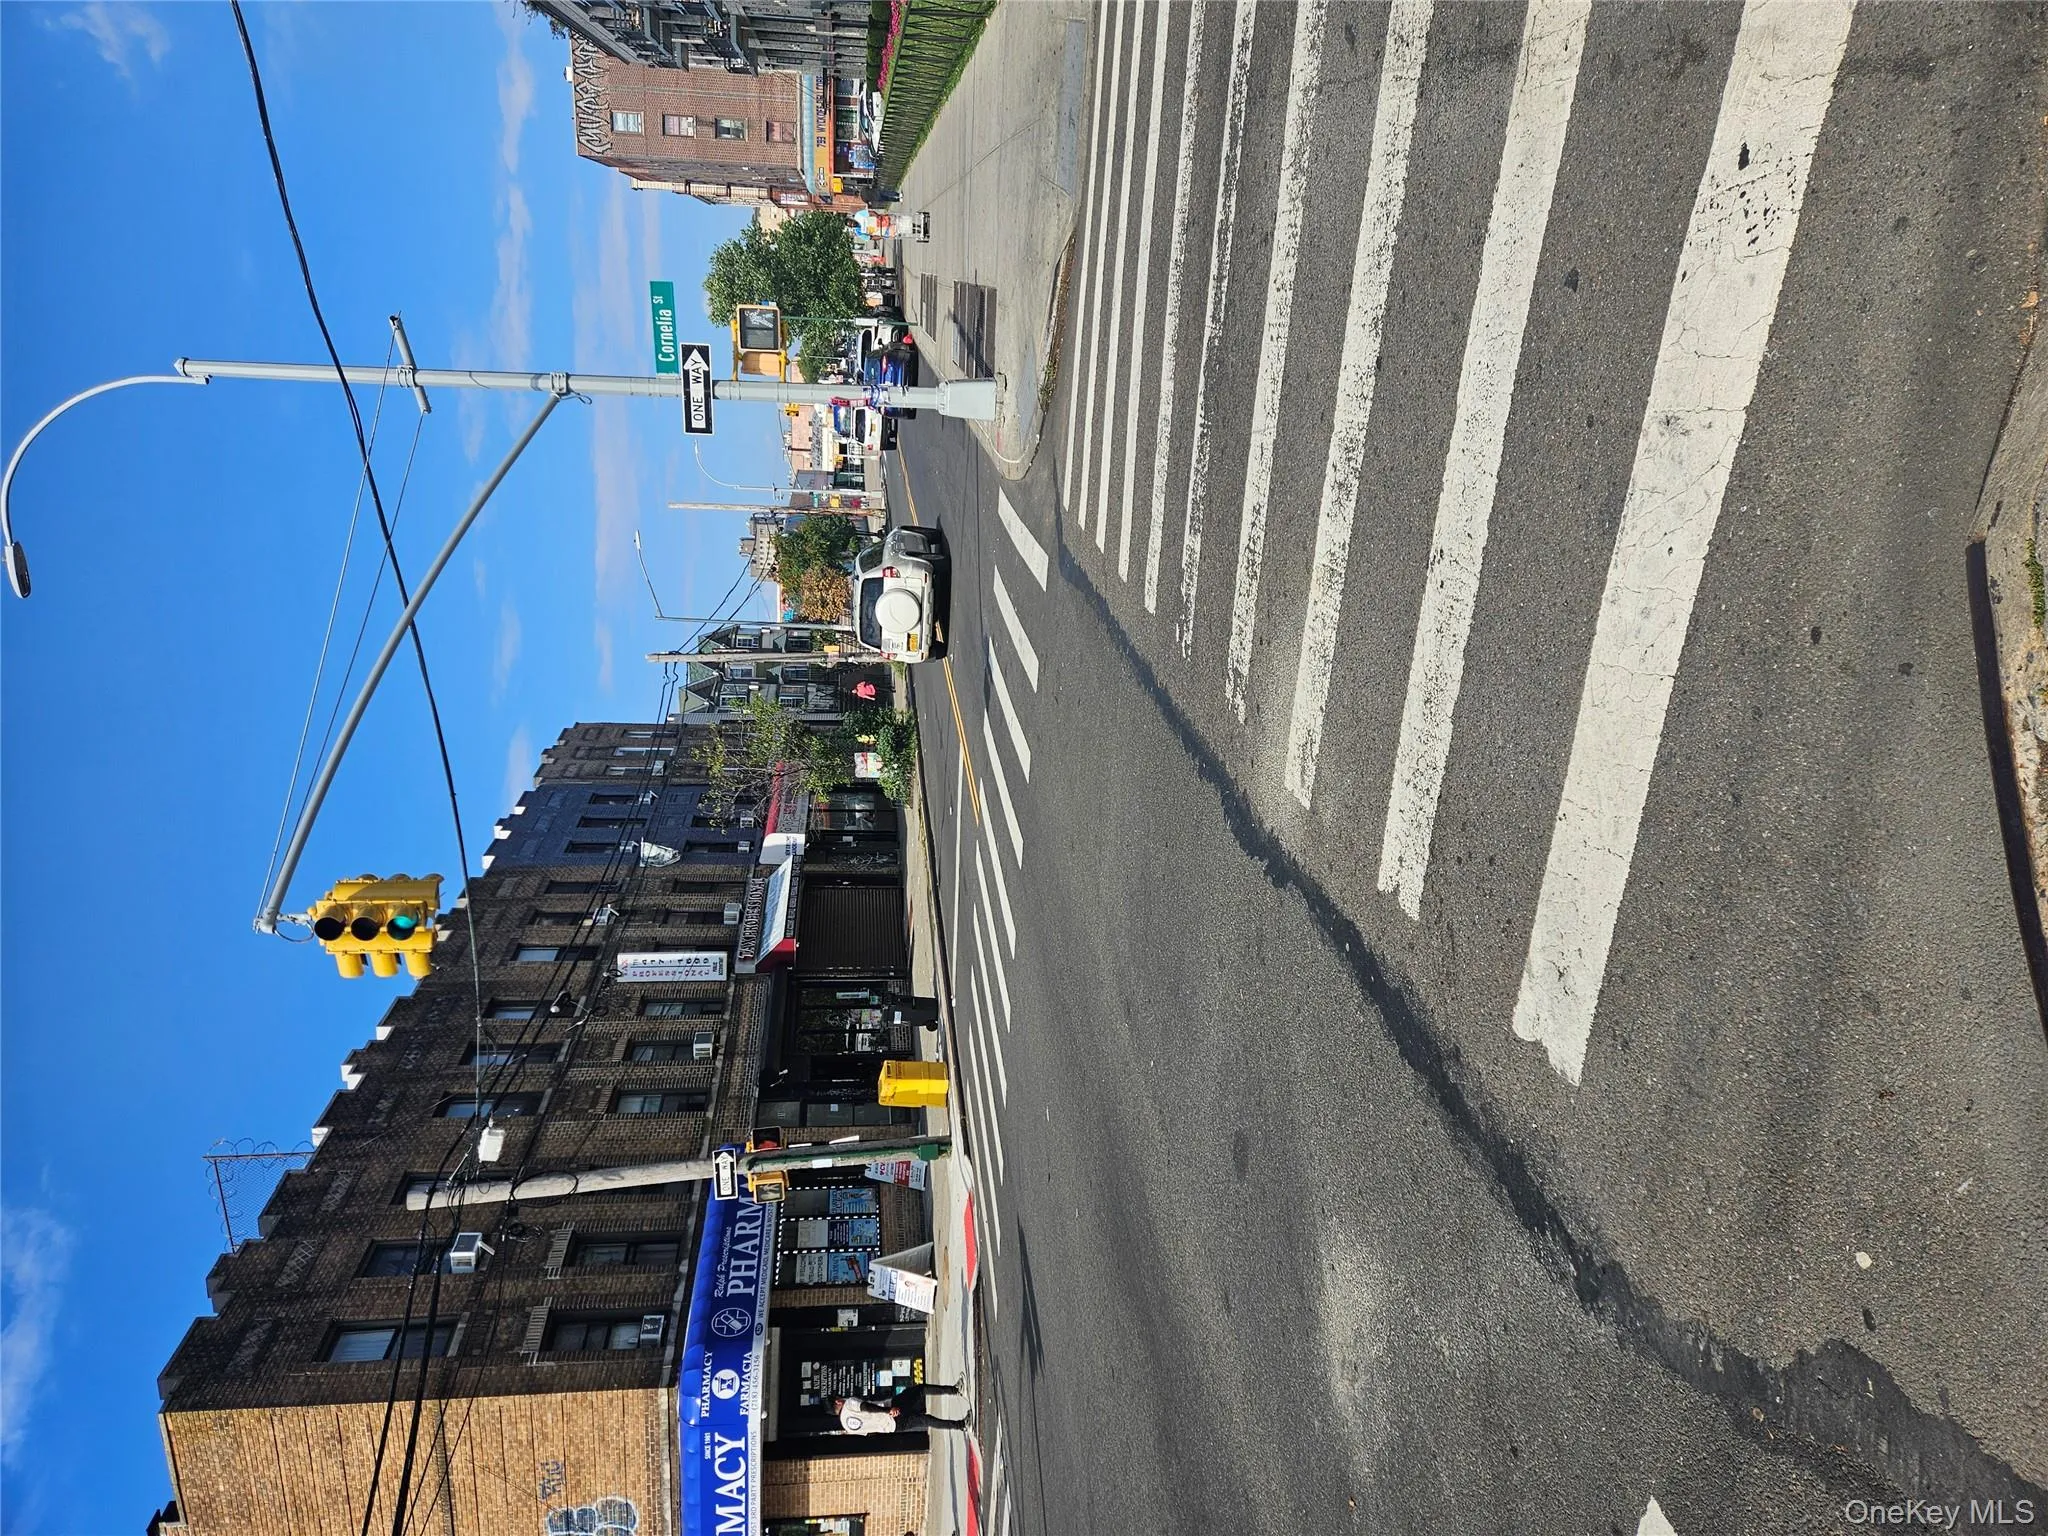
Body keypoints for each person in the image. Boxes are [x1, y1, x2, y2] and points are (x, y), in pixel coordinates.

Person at [835, 1384, 971, 1435]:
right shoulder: (848, 1404)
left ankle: (962, 1425)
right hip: (891, 1409)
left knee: (926, 1421)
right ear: (838, 1401)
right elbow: (866, 1407)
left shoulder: (848, 1428)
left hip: (892, 1427)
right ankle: (956, 1390)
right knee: (920, 1390)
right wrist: (887, 1411)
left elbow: (870, 1432)